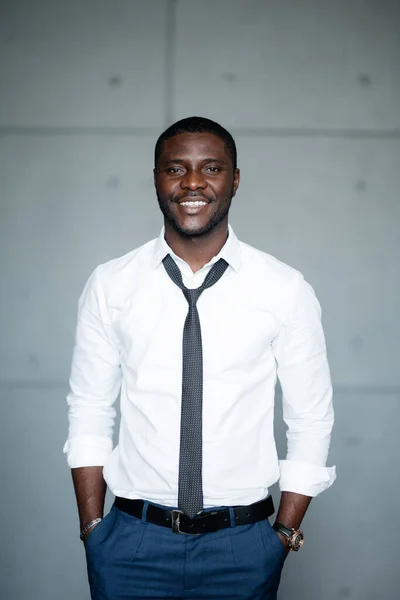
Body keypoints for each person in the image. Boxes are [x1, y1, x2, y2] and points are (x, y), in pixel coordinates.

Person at [64, 116, 336, 600]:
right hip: (130, 544)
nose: (193, 182)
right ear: (156, 178)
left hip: (243, 547)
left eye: (211, 167)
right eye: (175, 168)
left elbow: (310, 418)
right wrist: (93, 529)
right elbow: (89, 408)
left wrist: (282, 536)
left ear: (234, 179)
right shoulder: (111, 285)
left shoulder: (283, 289)